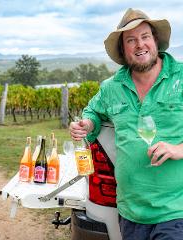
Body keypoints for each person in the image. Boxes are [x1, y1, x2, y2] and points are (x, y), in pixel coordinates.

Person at [69, 8, 183, 240]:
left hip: (175, 211)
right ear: (123, 50)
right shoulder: (112, 87)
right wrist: (87, 124)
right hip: (130, 213)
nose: (139, 45)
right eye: (131, 40)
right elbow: (92, 112)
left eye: (145, 37)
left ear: (155, 41)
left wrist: (179, 149)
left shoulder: (180, 78)